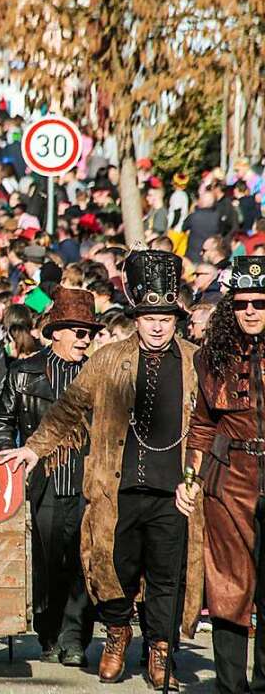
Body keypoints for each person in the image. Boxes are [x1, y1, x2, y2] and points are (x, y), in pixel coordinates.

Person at [1, 250, 203, 689]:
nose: (156, 325)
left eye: (165, 317)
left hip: (175, 491)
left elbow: (209, 426)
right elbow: (68, 409)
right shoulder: (108, 359)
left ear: (176, 319)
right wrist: (33, 450)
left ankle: (160, 649)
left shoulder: (195, 363)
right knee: (114, 568)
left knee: (168, 575)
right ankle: (116, 633)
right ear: (136, 316)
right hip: (118, 485)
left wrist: (195, 479)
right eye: (149, 315)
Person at [0, 287, 102, 666]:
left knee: (83, 564)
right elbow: (1, 420)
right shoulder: (23, 372)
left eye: (90, 333)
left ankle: (75, 639)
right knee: (48, 562)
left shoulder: (98, 374)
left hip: (88, 480)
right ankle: (49, 632)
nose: (85, 339)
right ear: (56, 332)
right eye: (79, 331)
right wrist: (11, 459)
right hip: (44, 483)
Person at [176, 256, 265, 694]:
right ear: (231, 307)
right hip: (228, 480)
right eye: (243, 303)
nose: (251, 311)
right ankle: (232, 688)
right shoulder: (212, 358)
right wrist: (190, 480)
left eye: (260, 302)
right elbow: (202, 424)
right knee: (230, 588)